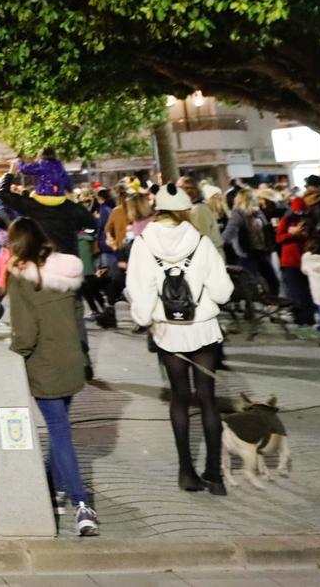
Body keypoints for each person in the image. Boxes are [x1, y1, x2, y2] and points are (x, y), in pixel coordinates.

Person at [125, 183, 234, 494]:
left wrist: (146, 317)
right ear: (184, 209)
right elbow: (224, 291)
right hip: (203, 329)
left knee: (179, 398)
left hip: (167, 331)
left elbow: (139, 292)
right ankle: (215, 475)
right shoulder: (200, 242)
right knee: (208, 399)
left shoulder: (143, 243)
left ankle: (186, 471)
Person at [1, 217, 98, 535]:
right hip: (71, 359)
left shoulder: (20, 275)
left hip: (44, 364)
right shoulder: (68, 270)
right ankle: (50, 488)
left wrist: (13, 354)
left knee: (59, 433)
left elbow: (25, 333)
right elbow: (78, 316)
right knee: (60, 430)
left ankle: (81, 504)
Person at [275, 198, 314, 326]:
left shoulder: (309, 220)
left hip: (305, 260)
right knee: (296, 293)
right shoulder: (286, 220)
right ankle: (300, 318)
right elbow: (279, 239)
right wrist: (293, 234)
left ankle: (309, 318)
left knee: (306, 292)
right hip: (291, 262)